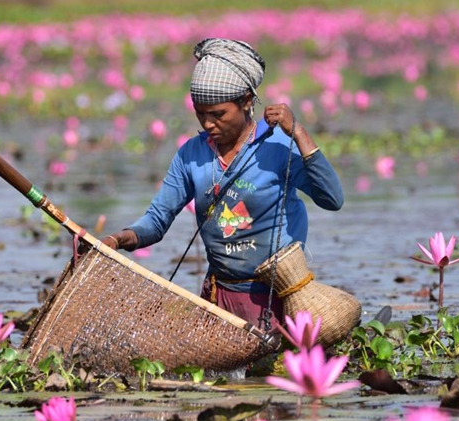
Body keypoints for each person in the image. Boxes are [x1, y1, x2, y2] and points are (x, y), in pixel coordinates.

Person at [100, 37, 344, 333]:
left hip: (277, 297)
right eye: (200, 114)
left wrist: (300, 133)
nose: (208, 124)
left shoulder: (278, 147)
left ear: (246, 102)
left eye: (218, 114)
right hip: (221, 296)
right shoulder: (192, 154)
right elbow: (157, 220)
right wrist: (117, 240)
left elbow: (332, 198)